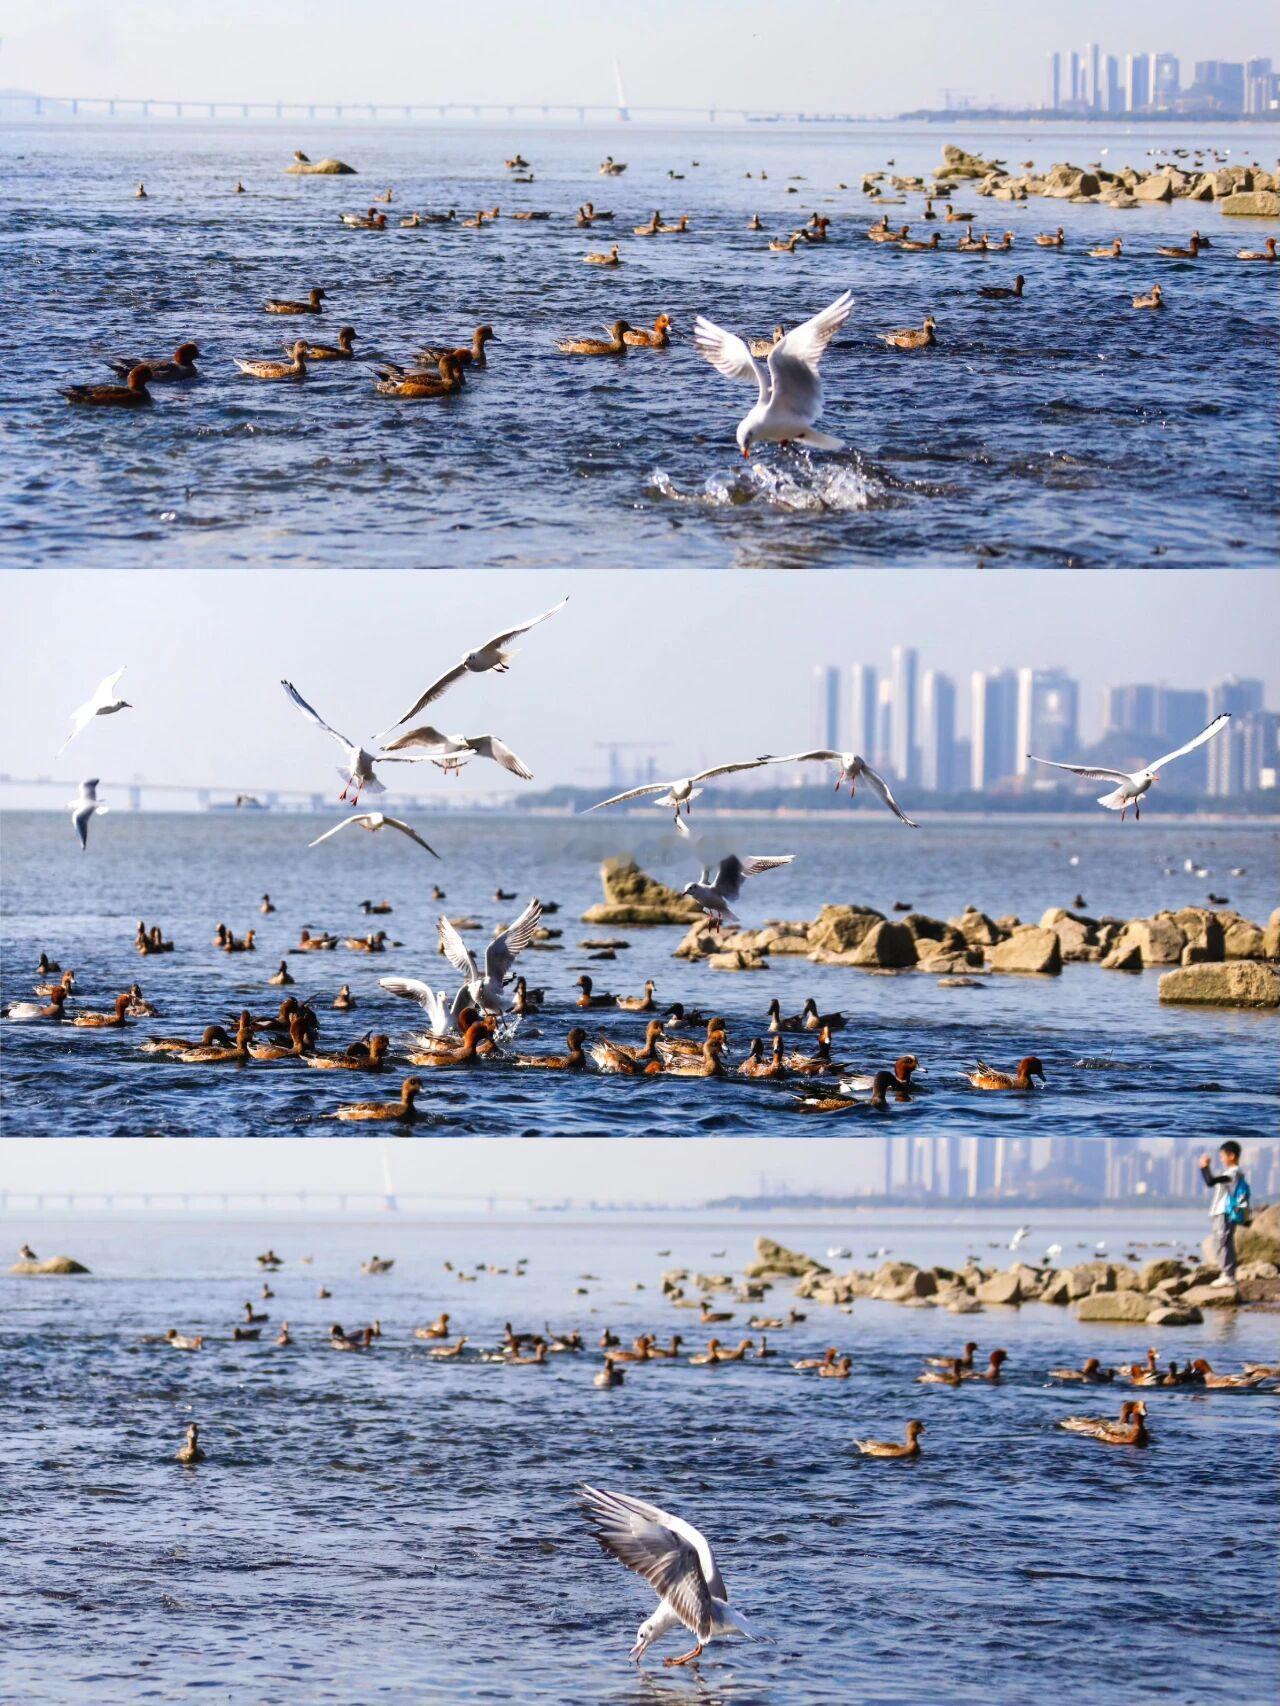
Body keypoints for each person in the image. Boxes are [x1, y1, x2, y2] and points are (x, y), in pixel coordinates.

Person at [1199, 1142, 1250, 1287]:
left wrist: (1204, 1167)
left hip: (1225, 1214)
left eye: (1222, 1156)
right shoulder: (1233, 1173)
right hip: (1222, 1213)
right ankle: (1226, 1273)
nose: (1221, 1159)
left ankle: (1228, 1275)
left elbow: (1210, 1181)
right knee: (1222, 1242)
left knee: (1222, 1243)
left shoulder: (1234, 1173)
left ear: (1231, 1156)